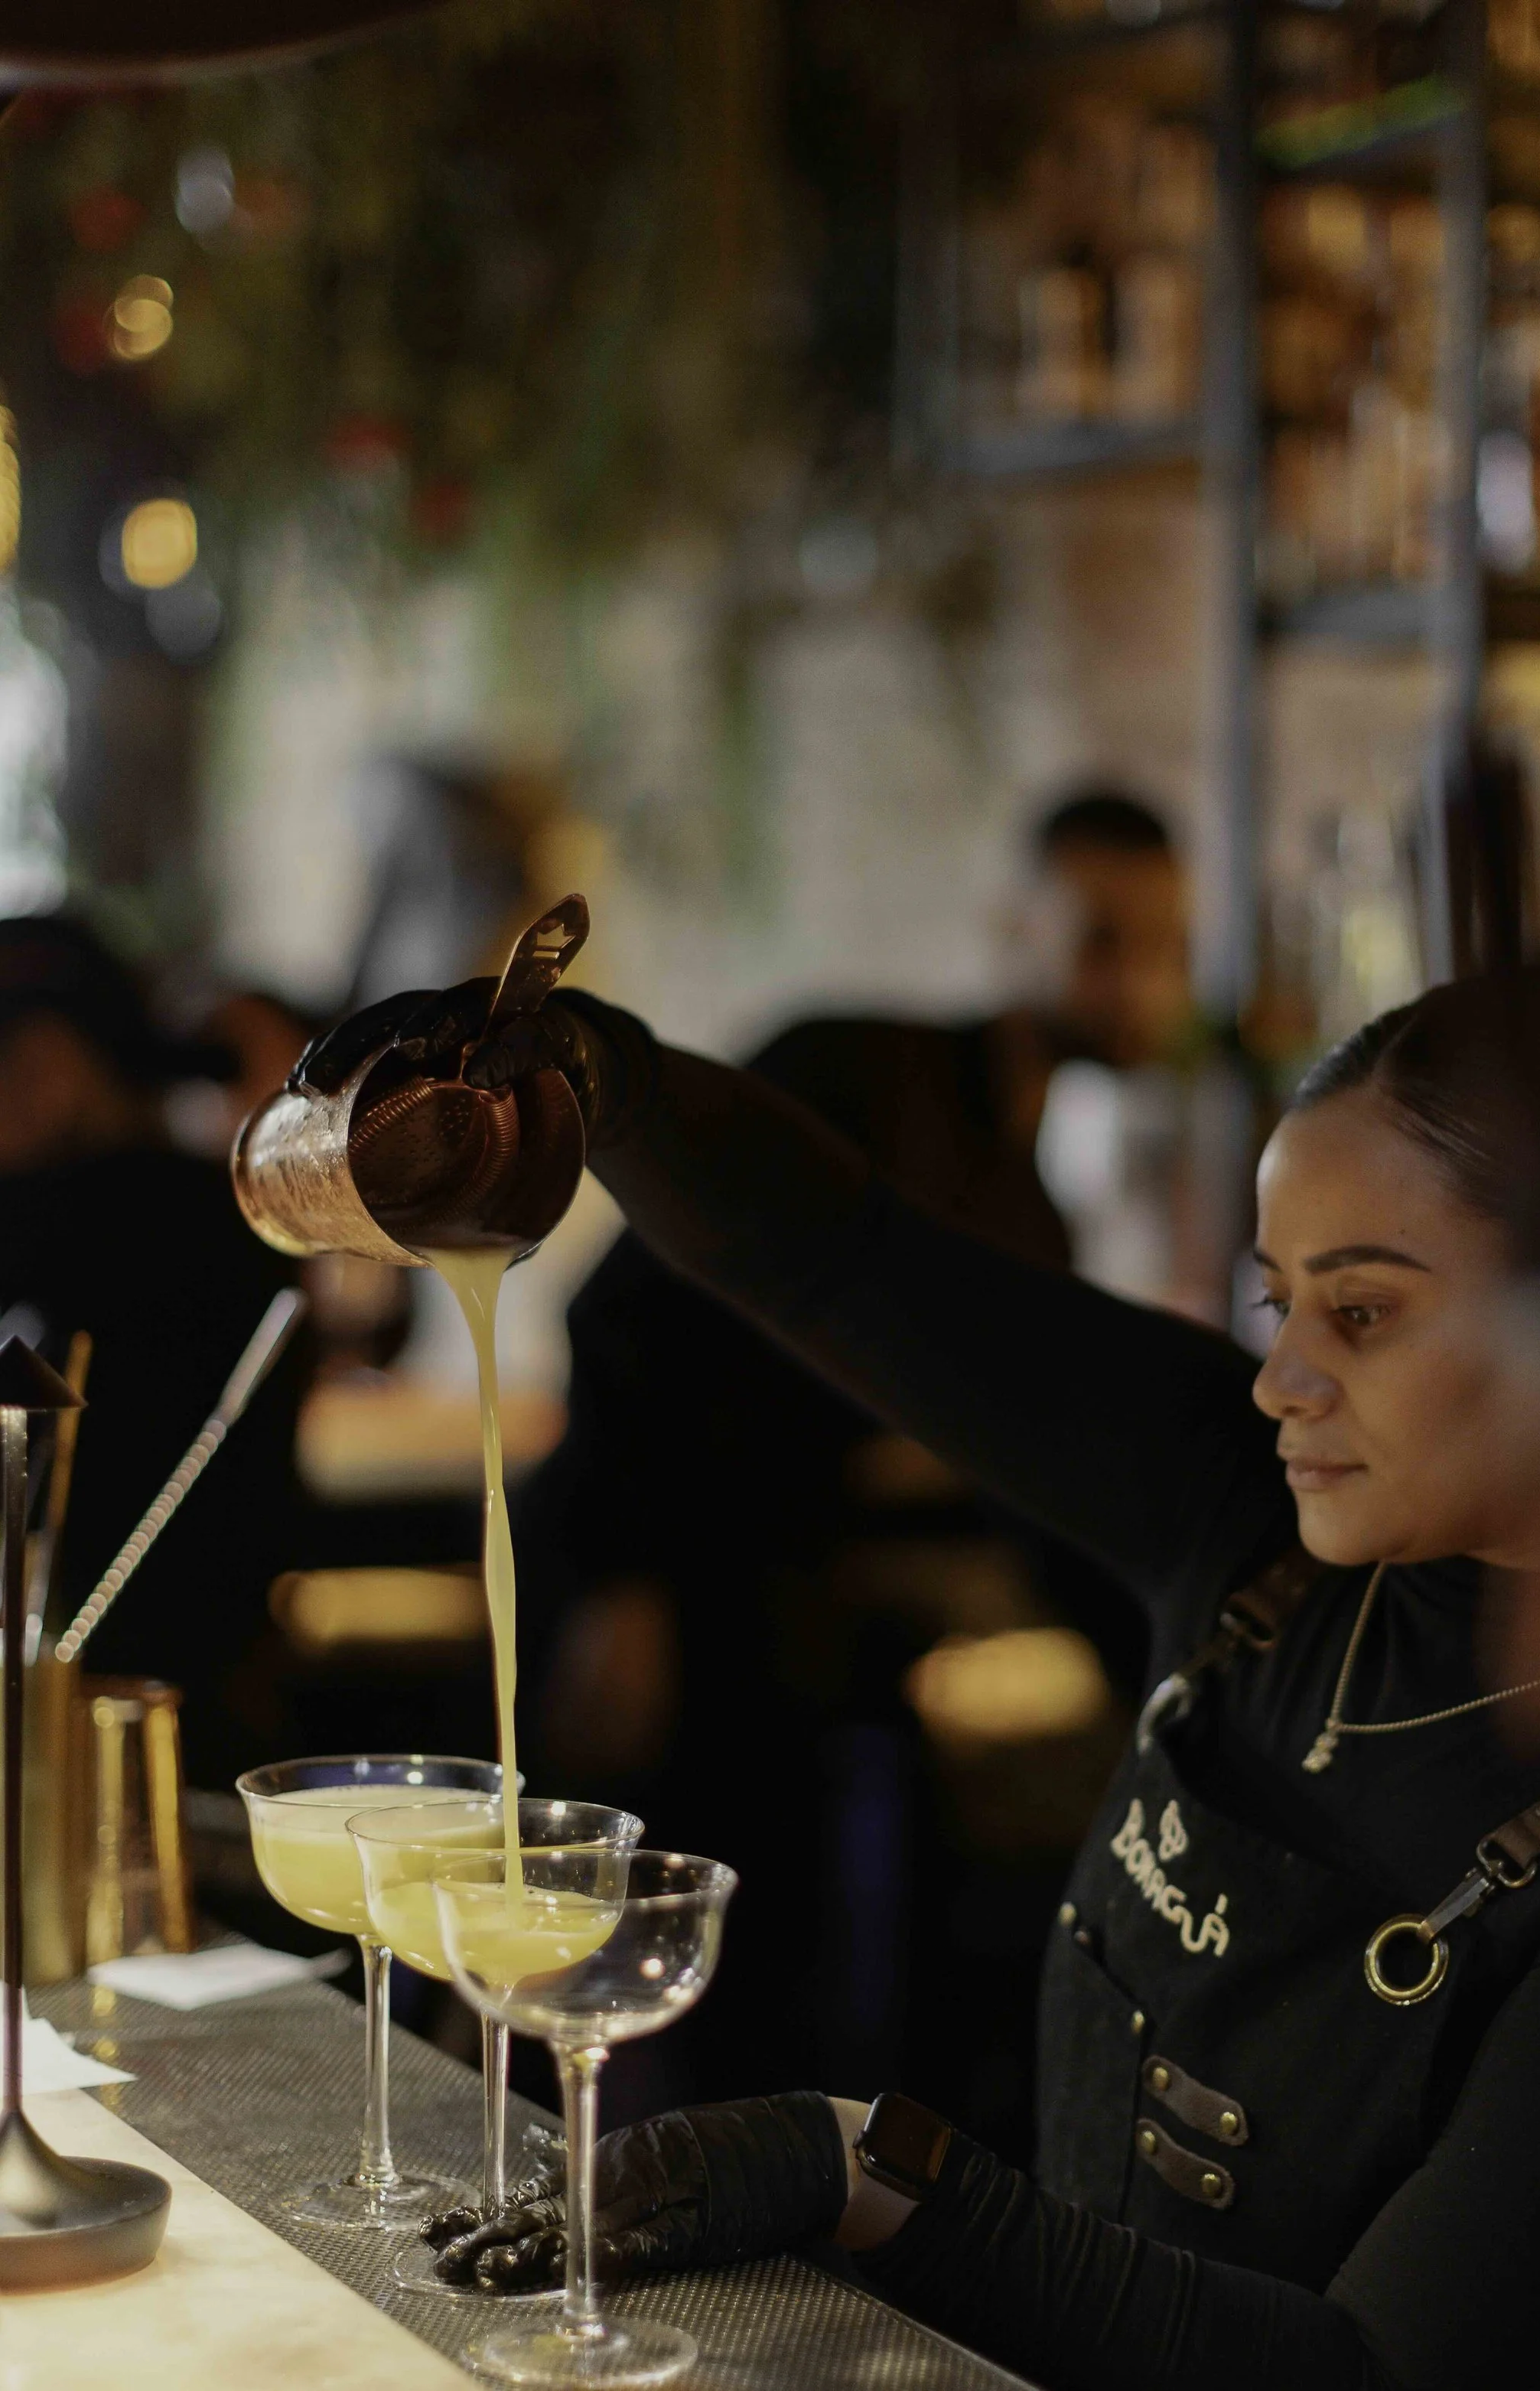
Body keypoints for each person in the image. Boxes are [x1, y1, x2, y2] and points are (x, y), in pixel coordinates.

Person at [296, 963, 1540, 2391]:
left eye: (1363, 1310)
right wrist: (588, 1071)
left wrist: (861, 2166)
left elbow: (1360, 2370)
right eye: (1279, 1299)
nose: (1280, 1375)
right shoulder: (1251, 1524)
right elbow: (845, 1260)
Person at [513, 784, 1191, 2120]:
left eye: (1165, 948)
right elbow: (622, 1314)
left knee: (771, 2014)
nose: (1139, 982)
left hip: (792, 1634)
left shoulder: (1030, 1206)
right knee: (579, 1993)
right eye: (1104, 937)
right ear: (1015, 928)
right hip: (656, 1579)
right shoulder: (848, 1072)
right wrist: (619, 1589)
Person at [0, 916, 307, 1788]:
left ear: (47, 1069)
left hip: (110, 1744)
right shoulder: (232, 1222)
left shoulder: (84, 1229)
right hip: (205, 1717)